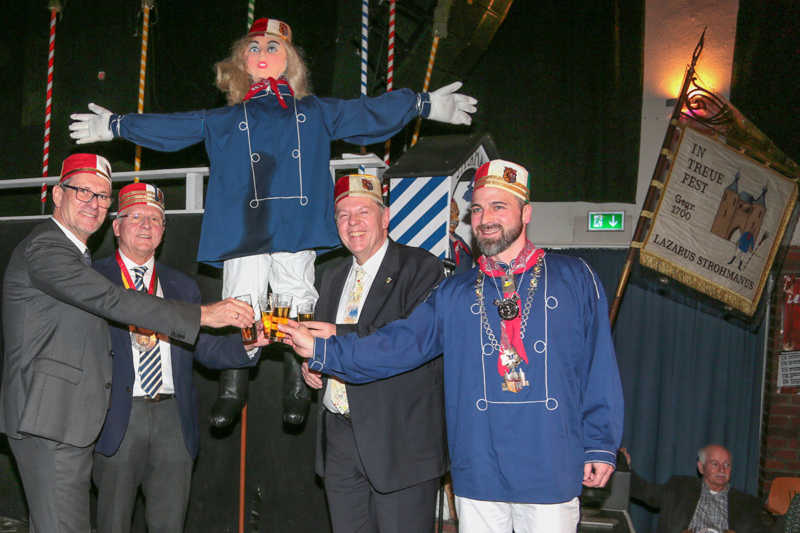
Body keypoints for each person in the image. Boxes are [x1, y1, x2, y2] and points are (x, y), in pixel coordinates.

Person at [68, 17, 478, 428]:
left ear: (290, 60)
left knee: (296, 296)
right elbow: (176, 126)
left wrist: (420, 104)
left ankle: (297, 381)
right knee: (240, 299)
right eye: (254, 48)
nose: (262, 54)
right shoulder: (227, 118)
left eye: (272, 47)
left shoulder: (314, 112)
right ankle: (233, 385)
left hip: (295, 224)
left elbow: (364, 112)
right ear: (240, 63)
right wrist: (117, 125)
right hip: (244, 226)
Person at [282, 159, 624, 533]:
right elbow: (399, 344)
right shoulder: (455, 291)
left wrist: (600, 443)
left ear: (526, 213)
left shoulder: (574, 277)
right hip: (479, 470)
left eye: (498, 206)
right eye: (477, 209)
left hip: (550, 462)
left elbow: (599, 367)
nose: (485, 218)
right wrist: (325, 352)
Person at [0, 153, 253, 533]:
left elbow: (201, 348)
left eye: (102, 196)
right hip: (56, 419)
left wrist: (248, 343)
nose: (94, 202)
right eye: (83, 191)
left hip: (75, 421)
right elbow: (112, 301)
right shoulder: (49, 249)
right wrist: (204, 314)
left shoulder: (84, 259)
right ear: (57, 194)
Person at [92, 181, 268, 533]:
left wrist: (248, 345)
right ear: (116, 227)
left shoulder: (181, 286)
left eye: (156, 219)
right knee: (112, 523)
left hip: (173, 420)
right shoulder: (93, 278)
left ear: (163, 231)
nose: (146, 225)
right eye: (136, 217)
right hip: (116, 417)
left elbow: (206, 349)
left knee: (170, 525)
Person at [299, 174, 446, 532]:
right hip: (339, 439)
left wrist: (334, 341)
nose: (353, 223)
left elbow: (405, 342)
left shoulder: (421, 268)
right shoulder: (331, 276)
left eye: (363, 212)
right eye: (343, 215)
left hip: (399, 443)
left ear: (386, 217)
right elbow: (322, 346)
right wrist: (312, 367)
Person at [623, 444, 767, 533]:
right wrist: (625, 468)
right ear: (701, 467)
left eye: (726, 465)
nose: (722, 469)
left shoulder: (746, 502)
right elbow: (646, 492)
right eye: (715, 464)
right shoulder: (678, 488)